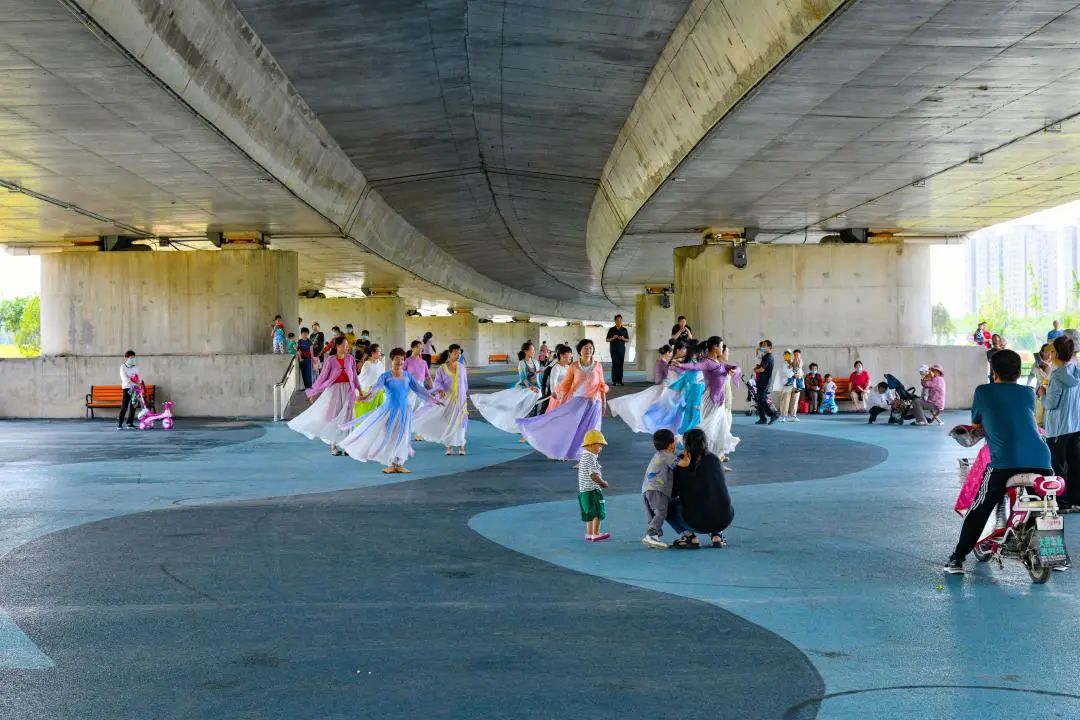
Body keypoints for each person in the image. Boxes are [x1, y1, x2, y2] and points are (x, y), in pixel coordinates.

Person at [944, 349, 1054, 574]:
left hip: (1005, 462)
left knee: (980, 507)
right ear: (1018, 371)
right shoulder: (1027, 393)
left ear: (994, 371)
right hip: (1042, 459)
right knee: (1048, 506)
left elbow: (977, 422)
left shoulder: (984, 392)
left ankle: (957, 558)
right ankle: (1054, 557)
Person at [339, 347, 443, 474]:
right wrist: (367, 396)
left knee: (403, 437)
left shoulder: (408, 376)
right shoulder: (385, 376)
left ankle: (400, 464)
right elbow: (376, 388)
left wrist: (433, 399)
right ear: (391, 360)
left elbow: (419, 390)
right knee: (390, 436)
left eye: (402, 359)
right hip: (389, 411)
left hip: (405, 411)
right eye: (397, 359)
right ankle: (391, 463)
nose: (400, 362)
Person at [518, 339, 608, 460]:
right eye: (585, 348)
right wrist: (559, 397)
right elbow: (565, 385)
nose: (588, 350)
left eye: (591, 348)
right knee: (574, 428)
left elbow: (602, 385)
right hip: (577, 402)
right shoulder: (574, 366)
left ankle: (586, 457)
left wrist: (603, 403)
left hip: (594, 403)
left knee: (592, 429)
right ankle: (569, 451)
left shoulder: (598, 366)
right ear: (580, 351)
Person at [288, 336, 359, 456]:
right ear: (337, 346)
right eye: (344, 345)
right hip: (335, 391)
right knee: (335, 417)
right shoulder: (331, 360)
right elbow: (323, 377)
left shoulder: (351, 359)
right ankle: (334, 445)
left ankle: (346, 446)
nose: (346, 347)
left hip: (349, 391)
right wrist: (314, 392)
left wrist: (360, 392)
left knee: (348, 417)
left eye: (347, 345)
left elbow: (355, 377)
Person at [671, 336, 741, 457]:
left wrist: (734, 371)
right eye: (721, 346)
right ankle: (683, 439)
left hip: (720, 400)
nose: (722, 348)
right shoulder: (707, 362)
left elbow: (736, 367)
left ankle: (715, 459)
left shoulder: (718, 362)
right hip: (710, 399)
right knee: (708, 427)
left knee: (720, 430)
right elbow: (695, 367)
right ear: (715, 347)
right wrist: (681, 365)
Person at [668, 428, 734, 549]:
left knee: (666, 504)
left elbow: (672, 493)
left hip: (695, 522)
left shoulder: (681, 462)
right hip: (725, 518)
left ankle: (689, 537)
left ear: (685, 444)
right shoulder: (714, 459)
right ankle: (717, 535)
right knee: (713, 495)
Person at [471, 342, 541, 435]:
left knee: (535, 402)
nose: (533, 351)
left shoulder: (536, 362)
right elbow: (523, 378)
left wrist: (538, 385)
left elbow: (537, 376)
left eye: (534, 350)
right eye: (532, 350)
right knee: (513, 404)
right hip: (525, 388)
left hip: (535, 387)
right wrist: (531, 388)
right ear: (525, 351)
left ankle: (531, 424)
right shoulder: (522, 363)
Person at [1044, 335, 1080, 511]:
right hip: (1076, 426)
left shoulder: (1057, 376)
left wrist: (1042, 393)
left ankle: (1062, 504)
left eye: (1052, 351)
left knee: (1058, 468)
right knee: (1075, 465)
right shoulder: (1077, 371)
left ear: (1057, 353)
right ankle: (1076, 501)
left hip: (1058, 429)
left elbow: (1051, 404)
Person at [414, 344, 469, 455]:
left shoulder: (462, 367)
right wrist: (439, 390)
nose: (458, 355)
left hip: (461, 400)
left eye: (459, 353)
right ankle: (449, 446)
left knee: (461, 422)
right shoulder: (442, 368)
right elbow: (438, 383)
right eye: (455, 353)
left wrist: (464, 394)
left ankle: (462, 445)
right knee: (448, 422)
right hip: (447, 399)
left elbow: (465, 383)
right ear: (450, 353)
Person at [609, 345, 674, 434]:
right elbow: (667, 375)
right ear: (667, 353)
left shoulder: (659, 361)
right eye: (671, 352)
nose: (671, 354)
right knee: (651, 403)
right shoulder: (663, 363)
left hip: (659, 386)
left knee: (645, 402)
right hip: (661, 387)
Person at [641, 429, 677, 549]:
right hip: (657, 489)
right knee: (661, 512)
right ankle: (651, 534)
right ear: (671, 444)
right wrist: (687, 458)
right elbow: (681, 464)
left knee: (653, 514)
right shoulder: (667, 455)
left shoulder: (657, 454)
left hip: (647, 488)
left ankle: (654, 537)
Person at [577, 429, 610, 542]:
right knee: (597, 511)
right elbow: (594, 475)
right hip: (592, 490)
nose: (600, 449)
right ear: (591, 445)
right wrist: (602, 483)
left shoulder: (584, 456)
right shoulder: (590, 457)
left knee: (589, 512)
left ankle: (589, 533)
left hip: (584, 490)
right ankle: (596, 533)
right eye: (599, 446)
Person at [353, 344, 386, 418]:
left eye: (380, 352)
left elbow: (383, 376)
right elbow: (362, 378)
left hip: (379, 391)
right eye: (378, 351)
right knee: (368, 413)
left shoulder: (380, 364)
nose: (380, 353)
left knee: (380, 413)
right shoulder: (367, 364)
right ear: (372, 353)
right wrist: (365, 390)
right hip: (369, 391)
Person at [540, 343, 573, 415]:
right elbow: (553, 381)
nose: (571, 356)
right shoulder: (556, 367)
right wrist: (553, 392)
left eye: (571, 354)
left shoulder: (568, 367)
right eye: (569, 354)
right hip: (558, 395)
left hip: (567, 395)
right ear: (561, 355)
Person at [754, 340, 780, 425]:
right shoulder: (765, 356)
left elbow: (762, 369)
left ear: (769, 347)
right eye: (762, 346)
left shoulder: (768, 357)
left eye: (765, 346)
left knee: (761, 398)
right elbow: (759, 360)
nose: (763, 347)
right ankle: (762, 418)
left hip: (765, 381)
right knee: (759, 399)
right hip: (762, 380)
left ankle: (773, 414)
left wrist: (755, 369)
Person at [1030, 342, 1054, 428]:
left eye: (1051, 351)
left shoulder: (1055, 364)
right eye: (1046, 352)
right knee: (1039, 417)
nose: (1049, 354)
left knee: (1047, 416)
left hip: (1050, 392)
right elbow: (1031, 377)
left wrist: (1047, 366)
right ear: (1042, 352)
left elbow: (1048, 379)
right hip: (1039, 392)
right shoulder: (1036, 364)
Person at [118, 350, 141, 430]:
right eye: (131, 357)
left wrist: (138, 383)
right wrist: (134, 383)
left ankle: (130, 423)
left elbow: (137, 377)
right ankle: (120, 425)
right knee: (124, 406)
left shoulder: (135, 367)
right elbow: (124, 378)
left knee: (133, 406)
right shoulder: (123, 367)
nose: (132, 359)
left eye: (133, 357)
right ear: (127, 358)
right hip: (126, 389)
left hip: (134, 389)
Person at [605, 314, 630, 386]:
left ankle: (620, 380)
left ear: (622, 321)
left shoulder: (624, 329)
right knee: (615, 364)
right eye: (617, 320)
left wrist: (623, 338)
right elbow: (607, 339)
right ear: (615, 321)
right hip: (613, 350)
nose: (619, 321)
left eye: (620, 320)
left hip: (622, 350)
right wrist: (613, 337)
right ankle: (614, 381)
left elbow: (627, 339)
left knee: (621, 365)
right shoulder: (611, 329)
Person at [778, 349, 798, 423]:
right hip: (786, 385)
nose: (787, 356)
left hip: (795, 385)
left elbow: (799, 371)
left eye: (788, 354)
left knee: (794, 400)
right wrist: (794, 372)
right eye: (785, 354)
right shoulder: (783, 364)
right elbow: (787, 374)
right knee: (785, 401)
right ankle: (783, 416)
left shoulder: (794, 363)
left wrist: (796, 373)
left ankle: (793, 416)